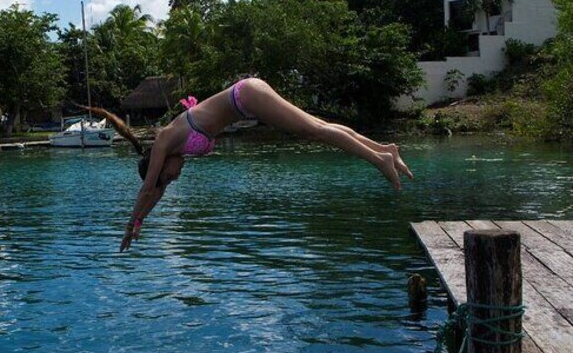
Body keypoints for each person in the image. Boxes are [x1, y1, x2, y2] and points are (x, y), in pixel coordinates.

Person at [86, 77, 413, 252]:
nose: (173, 178)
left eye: (167, 178)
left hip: (246, 96)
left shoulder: (163, 141)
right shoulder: (174, 149)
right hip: (247, 102)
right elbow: (154, 193)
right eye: (169, 182)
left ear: (156, 165)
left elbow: (148, 188)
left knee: (314, 130)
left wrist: (130, 225)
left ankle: (379, 160)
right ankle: (384, 148)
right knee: (317, 126)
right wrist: (142, 223)